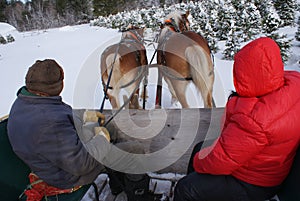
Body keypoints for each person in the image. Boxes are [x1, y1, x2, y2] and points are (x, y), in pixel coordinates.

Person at [173, 37, 300, 201]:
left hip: (253, 182)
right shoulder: (293, 85)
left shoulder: (254, 118)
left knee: (185, 188)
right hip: (271, 169)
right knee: (200, 148)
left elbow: (222, 160)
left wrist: (199, 163)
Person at [7, 59, 150, 201]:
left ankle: (118, 185)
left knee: (110, 128)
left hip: (55, 160)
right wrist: (102, 139)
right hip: (68, 175)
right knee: (134, 150)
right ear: (56, 86)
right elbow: (83, 164)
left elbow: (58, 113)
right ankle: (139, 195)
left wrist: (85, 117)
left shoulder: (25, 101)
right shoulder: (49, 123)